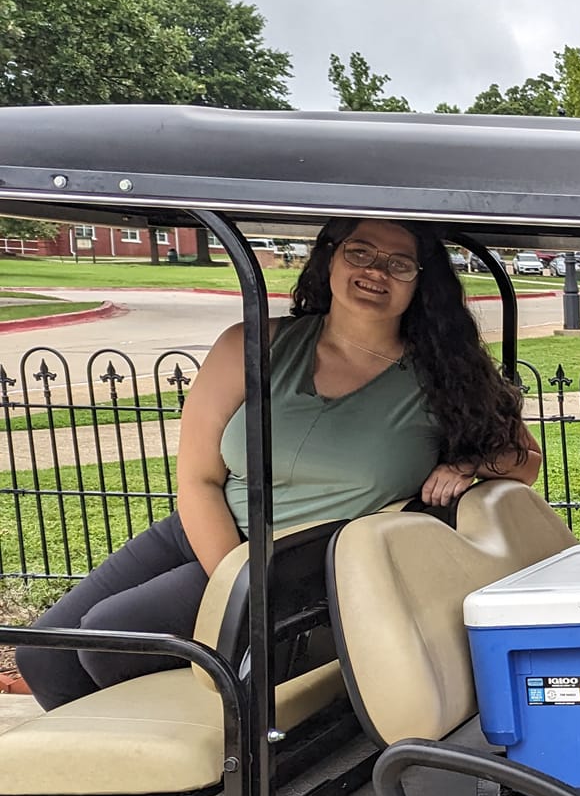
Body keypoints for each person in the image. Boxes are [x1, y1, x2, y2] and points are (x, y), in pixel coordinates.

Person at [19, 218, 541, 712]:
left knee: (110, 637)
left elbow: (524, 459)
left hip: (295, 559)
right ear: (330, 259)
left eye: (399, 263)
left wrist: (469, 464)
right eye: (359, 251)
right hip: (203, 531)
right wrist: (235, 578)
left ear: (420, 283)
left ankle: (206, 780)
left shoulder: (444, 377)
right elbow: (199, 478)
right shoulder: (252, 345)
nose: (376, 271)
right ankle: (121, 789)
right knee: (43, 652)